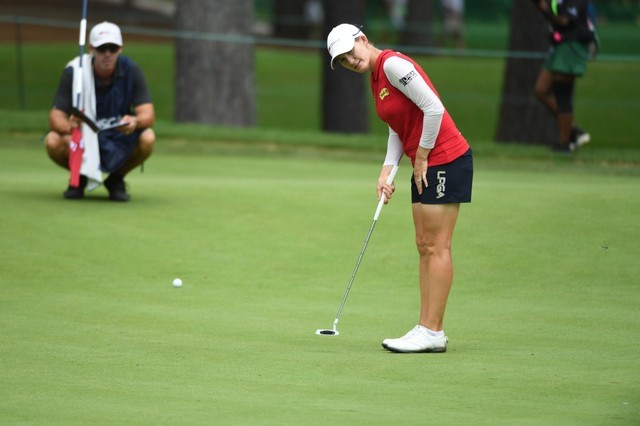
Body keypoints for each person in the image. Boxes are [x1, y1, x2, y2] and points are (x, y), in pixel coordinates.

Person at [327, 24, 473, 353]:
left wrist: (420, 157)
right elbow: (398, 126)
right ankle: (426, 328)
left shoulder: (392, 65)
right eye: (344, 61)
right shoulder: (376, 77)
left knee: (437, 246)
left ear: (362, 40)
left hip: (445, 159)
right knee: (424, 244)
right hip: (426, 163)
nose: (350, 61)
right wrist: (386, 172)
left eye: (351, 52)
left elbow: (434, 108)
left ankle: (432, 331)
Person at [45, 21, 155, 201]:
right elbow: (55, 118)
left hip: (117, 135)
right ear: (91, 49)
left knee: (148, 137)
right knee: (53, 140)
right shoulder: (76, 72)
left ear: (120, 49)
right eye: (102, 48)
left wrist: (135, 121)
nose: (107, 54)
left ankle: (116, 179)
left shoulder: (131, 70)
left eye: (112, 48)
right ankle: (79, 177)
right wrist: (69, 126)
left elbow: (148, 115)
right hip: (84, 137)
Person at [532, 0, 594, 152]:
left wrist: (545, 10)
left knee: (563, 95)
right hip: (560, 47)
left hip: (572, 47)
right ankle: (573, 130)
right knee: (541, 90)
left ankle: (564, 144)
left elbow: (565, 20)